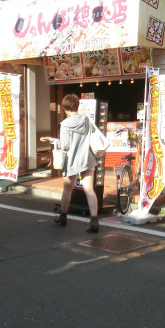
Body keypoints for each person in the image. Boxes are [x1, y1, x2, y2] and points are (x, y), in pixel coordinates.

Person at [40, 94, 98, 233]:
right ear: (77, 106)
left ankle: (63, 216)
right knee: (89, 189)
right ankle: (94, 220)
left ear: (65, 109)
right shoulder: (85, 120)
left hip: (72, 159)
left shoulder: (65, 124)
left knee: (68, 188)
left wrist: (51, 140)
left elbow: (65, 146)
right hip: (87, 158)